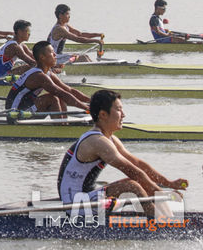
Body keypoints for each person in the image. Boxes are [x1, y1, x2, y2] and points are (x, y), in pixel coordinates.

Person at [58, 90, 188, 216]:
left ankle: (166, 219)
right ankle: (163, 226)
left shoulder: (109, 139)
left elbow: (138, 164)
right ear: (103, 114)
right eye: (119, 110)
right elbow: (132, 171)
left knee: (142, 183)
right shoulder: (96, 141)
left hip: (87, 197)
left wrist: (168, 183)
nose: (124, 115)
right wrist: (161, 193)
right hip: (75, 203)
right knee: (132, 185)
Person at [5, 41, 90, 117]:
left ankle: (63, 124)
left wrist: (91, 102)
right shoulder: (39, 76)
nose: (55, 55)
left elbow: (69, 90)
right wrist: (86, 107)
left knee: (60, 97)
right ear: (42, 57)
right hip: (14, 113)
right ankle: (60, 128)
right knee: (53, 98)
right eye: (52, 53)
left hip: (27, 107)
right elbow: (61, 93)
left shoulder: (47, 73)